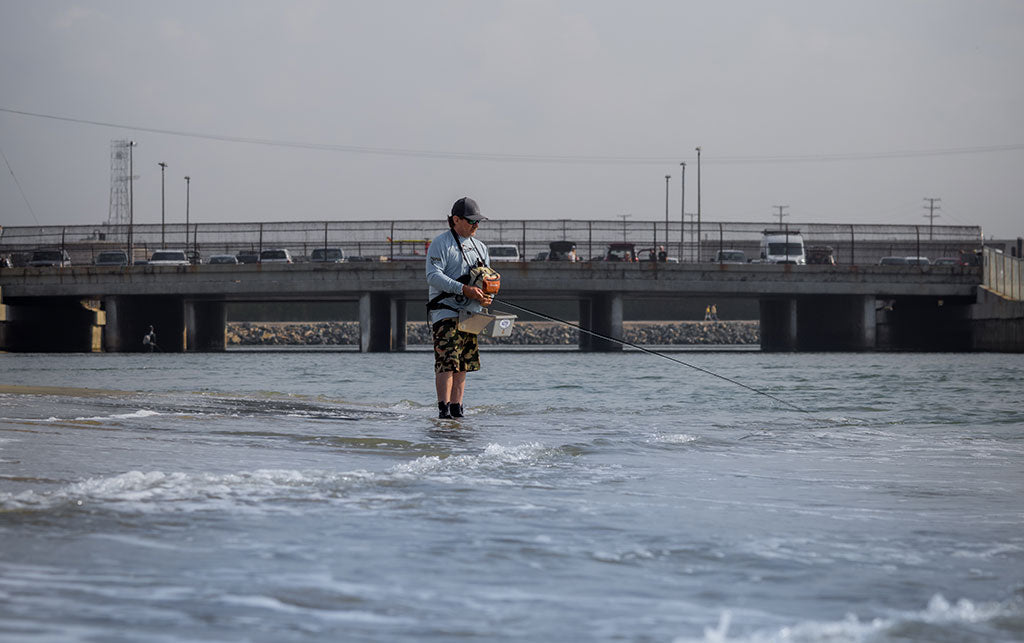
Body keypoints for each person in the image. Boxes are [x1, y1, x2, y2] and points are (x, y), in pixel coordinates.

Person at [425, 197, 492, 419]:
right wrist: (463, 289)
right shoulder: (440, 243)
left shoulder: (481, 247)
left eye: (478, 222)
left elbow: (487, 280)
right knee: (448, 361)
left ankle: (457, 409)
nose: (476, 226)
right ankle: (443, 410)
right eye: (472, 221)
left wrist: (486, 297)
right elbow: (433, 276)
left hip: (472, 313)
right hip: (446, 311)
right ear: (456, 220)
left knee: (464, 363)